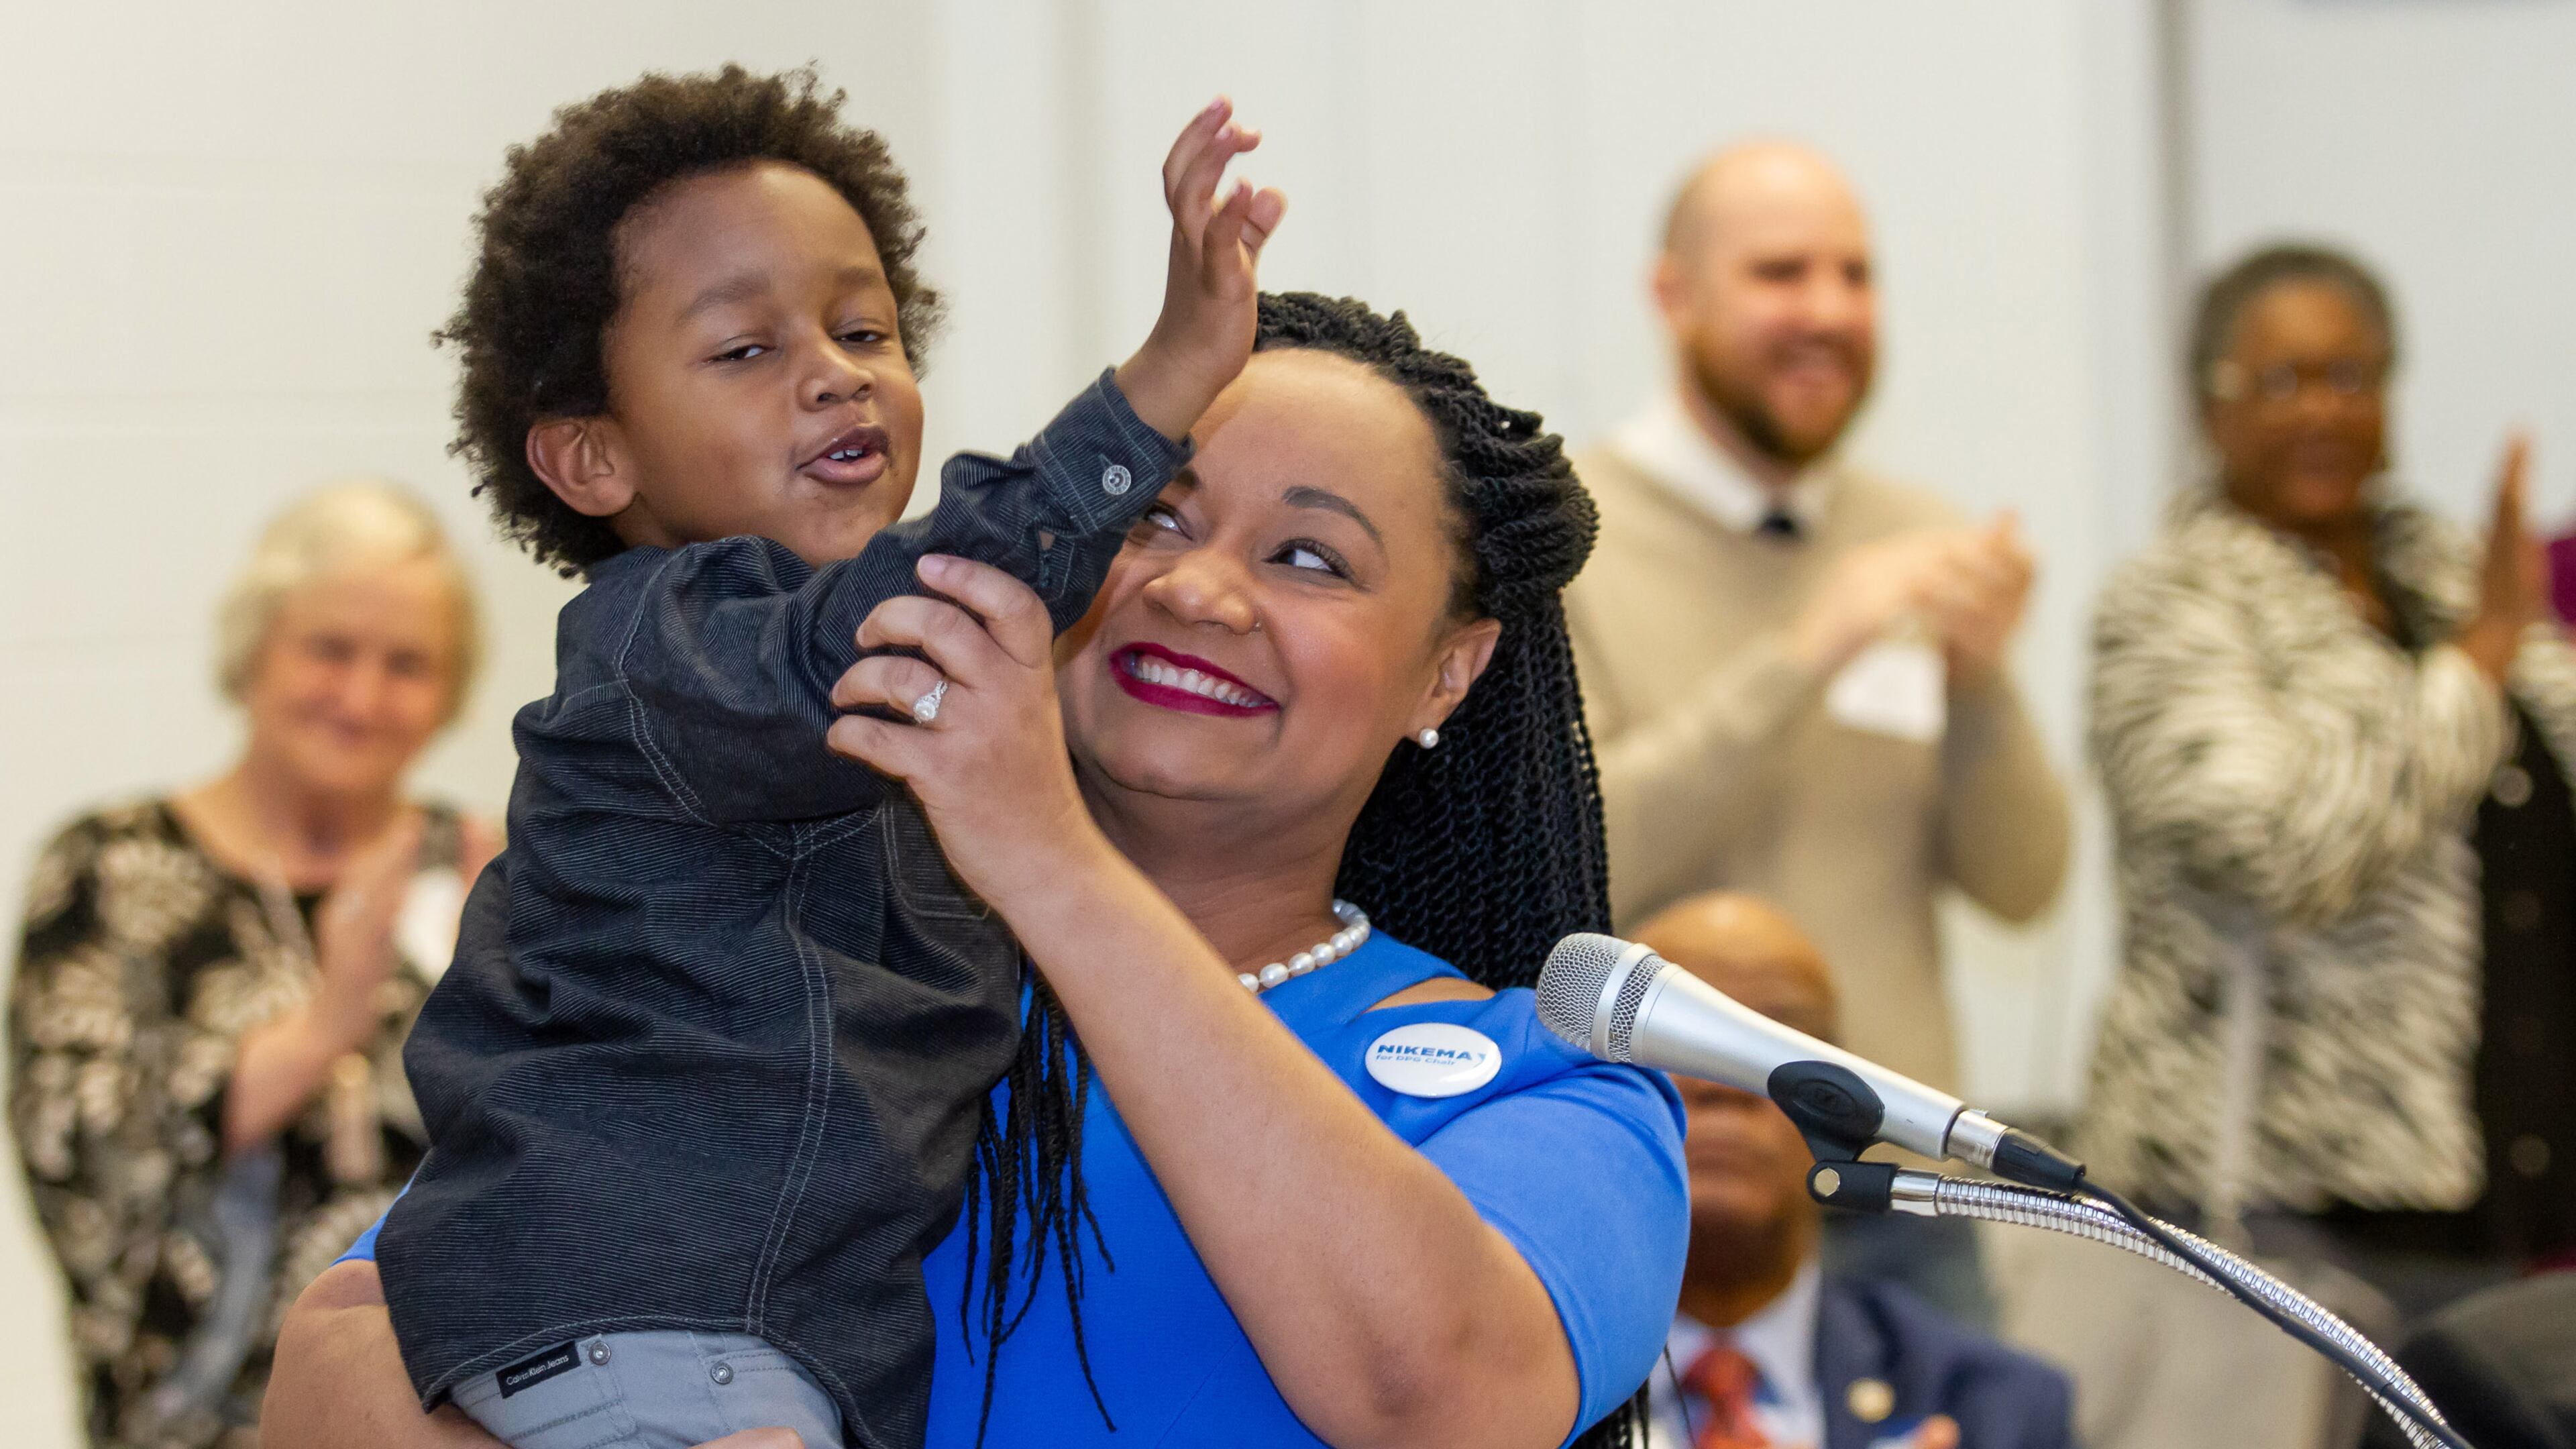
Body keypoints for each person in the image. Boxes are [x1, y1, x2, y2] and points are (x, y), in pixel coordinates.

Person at [263, 294, 1691, 1449]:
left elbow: (1432, 1393)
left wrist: (1048, 859)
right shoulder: (789, 969)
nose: (1198, 589)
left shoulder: (1554, 1089)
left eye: (1310, 557)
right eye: (1155, 517)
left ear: (1449, 666)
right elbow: (339, 1362)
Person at [358, 66, 1285, 1449]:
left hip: (722, 1349)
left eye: (867, 327)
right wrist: (1157, 390)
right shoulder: (674, 648)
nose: (836, 371)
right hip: (663, 1338)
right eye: (744, 350)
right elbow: (921, 606)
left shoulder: (844, 721)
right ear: (593, 459)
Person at [1566, 140, 2070, 1324]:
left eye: (1856, 275)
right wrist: (1805, 652)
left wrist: (1983, 680)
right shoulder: (1567, 542)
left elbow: (2024, 886)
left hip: (1902, 1189)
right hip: (1668, 1181)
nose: (1831, 312)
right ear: (1673, 297)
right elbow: (1588, 856)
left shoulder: (1916, 530)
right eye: (1783, 273)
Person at [2084, 242, 2576, 1321]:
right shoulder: (2172, 603)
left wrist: (2489, 639)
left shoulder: (2452, 577)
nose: (2320, 411)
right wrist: (2476, 668)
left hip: (2516, 1198)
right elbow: (2276, 851)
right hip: (2290, 1212)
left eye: (2349, 377)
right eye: (2280, 381)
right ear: (2207, 410)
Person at [9, 480, 497, 1449]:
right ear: (253, 654)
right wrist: (330, 1017)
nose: (361, 697)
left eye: (406, 664)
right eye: (328, 649)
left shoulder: (482, 866)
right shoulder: (111, 867)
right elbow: (84, 1161)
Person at [1631, 892, 2072, 1449]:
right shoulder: (1513, 1394)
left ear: (1845, 1110)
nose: (1719, 1087)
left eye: (1769, 1045)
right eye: (1673, 1041)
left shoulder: (1994, 1408)